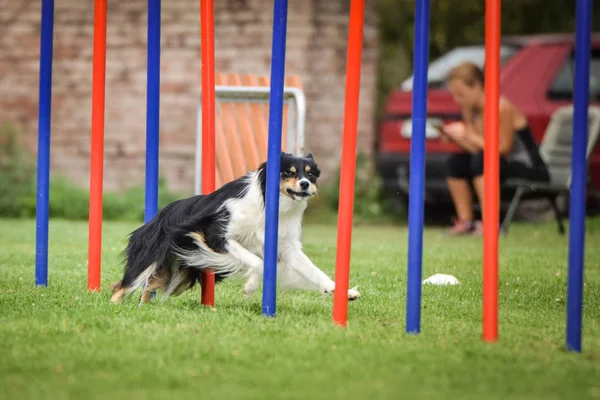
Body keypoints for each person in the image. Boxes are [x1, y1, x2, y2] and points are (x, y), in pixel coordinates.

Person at [439, 61, 550, 235]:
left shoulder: (501, 107)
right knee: (455, 162)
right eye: (454, 95)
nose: (457, 100)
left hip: (528, 168)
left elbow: (504, 148)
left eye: (460, 94)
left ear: (476, 85)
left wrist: (469, 135)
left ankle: (490, 224)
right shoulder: (470, 111)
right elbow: (476, 148)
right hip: (495, 162)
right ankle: (466, 222)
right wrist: (457, 138)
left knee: (482, 161)